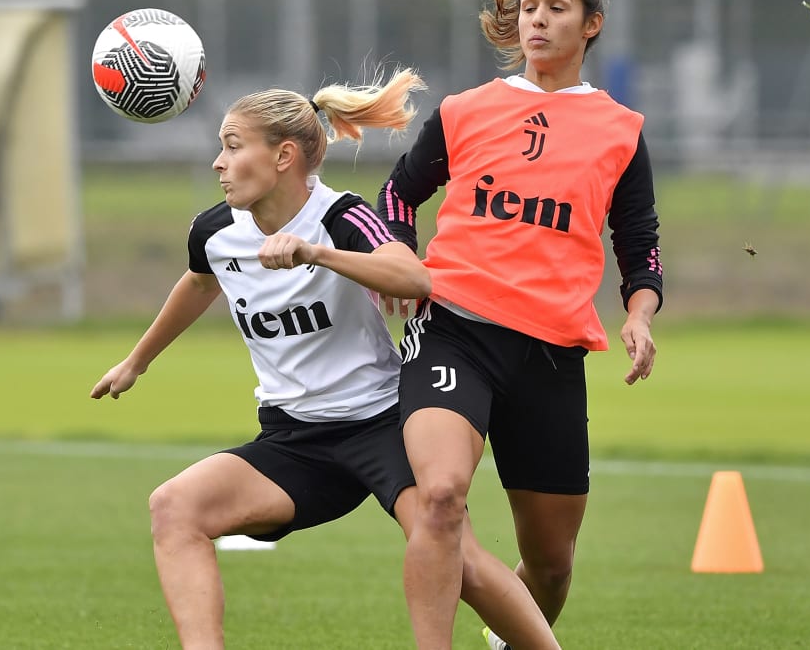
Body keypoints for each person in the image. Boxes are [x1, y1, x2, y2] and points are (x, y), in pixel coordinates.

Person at [89, 69, 560, 650]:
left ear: (284, 156)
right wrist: (137, 362)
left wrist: (318, 254)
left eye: (233, 146)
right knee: (174, 507)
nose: (218, 162)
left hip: (382, 426)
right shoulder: (214, 231)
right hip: (292, 441)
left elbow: (413, 277)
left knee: (457, 556)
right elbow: (198, 285)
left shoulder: (342, 217)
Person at [375, 0, 664, 649]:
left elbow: (640, 240)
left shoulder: (620, 130)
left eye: (557, 6)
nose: (537, 17)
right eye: (529, 5)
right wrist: (400, 258)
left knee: (552, 566)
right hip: (454, 332)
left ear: (591, 24)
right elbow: (396, 195)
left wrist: (637, 314)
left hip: (552, 354)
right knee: (441, 499)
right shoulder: (465, 111)